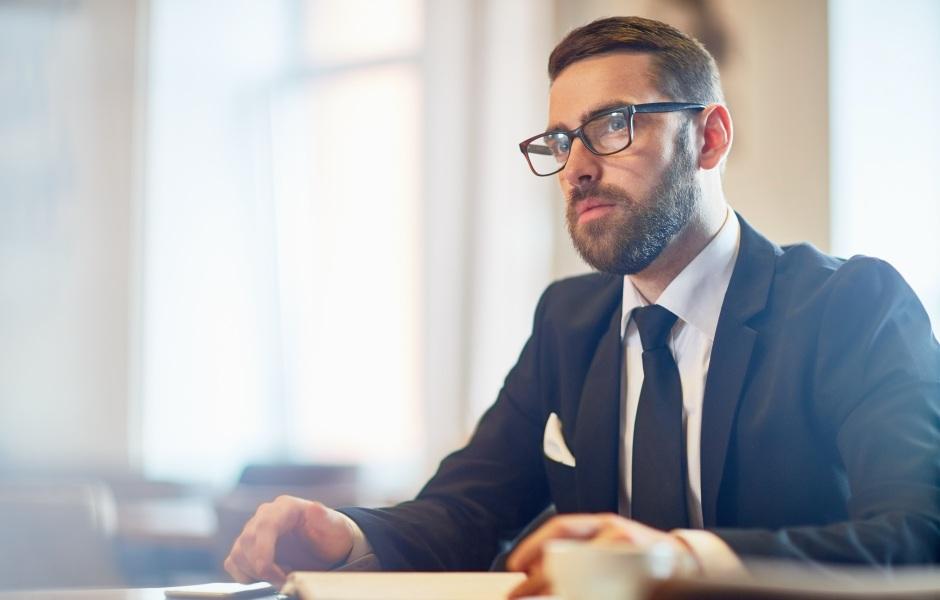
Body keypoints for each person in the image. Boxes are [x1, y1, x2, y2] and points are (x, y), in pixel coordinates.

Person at [224, 16, 940, 596]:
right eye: (562, 141)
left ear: (710, 138)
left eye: (613, 124)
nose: (576, 168)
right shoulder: (568, 321)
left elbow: (917, 533)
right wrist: (344, 535)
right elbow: (468, 509)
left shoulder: (853, 306)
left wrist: (676, 559)